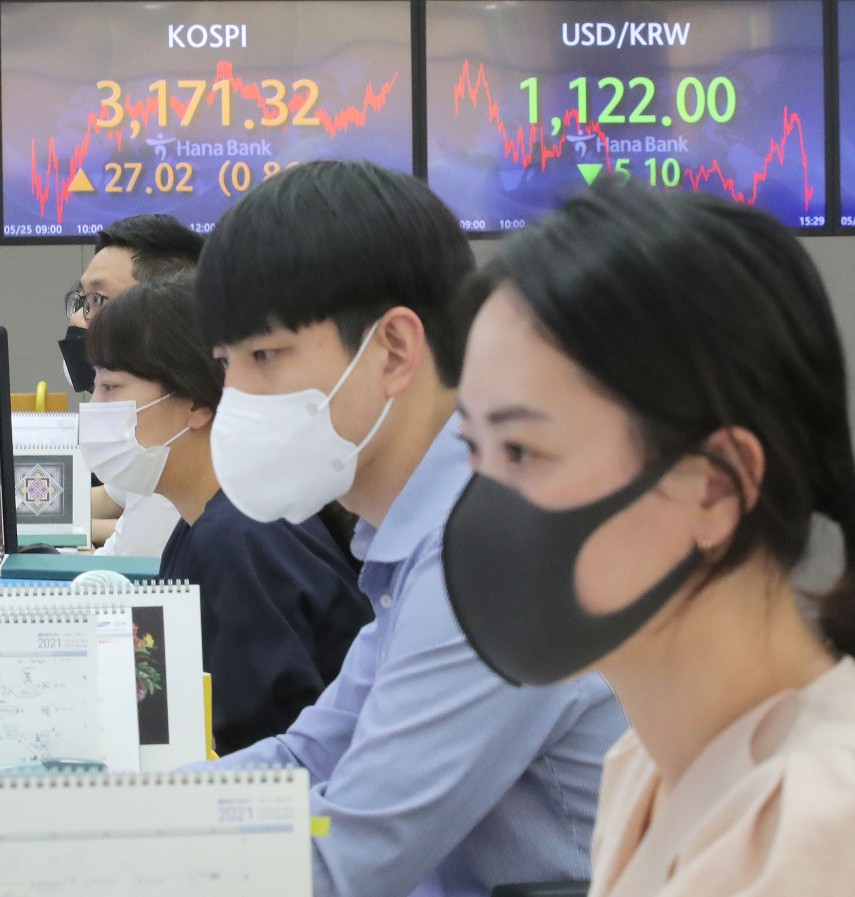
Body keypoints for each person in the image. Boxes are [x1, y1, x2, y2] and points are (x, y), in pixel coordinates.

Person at [442, 183, 855, 896]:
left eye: (523, 451)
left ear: (715, 486)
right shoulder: (650, 762)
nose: (481, 507)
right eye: (473, 453)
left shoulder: (839, 818)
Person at [192, 160, 626, 897]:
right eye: (225, 365)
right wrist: (97, 815)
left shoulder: (497, 551)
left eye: (265, 356)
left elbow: (349, 859)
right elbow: (309, 759)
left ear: (394, 349)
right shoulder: (433, 531)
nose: (236, 399)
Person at [83, 273, 373, 754]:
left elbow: (266, 750)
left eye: (111, 387)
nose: (95, 408)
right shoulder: (206, 523)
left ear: (197, 403)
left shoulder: (240, 538)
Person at [59, 214, 204, 555]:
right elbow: (110, 500)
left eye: (97, 300)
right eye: (81, 299)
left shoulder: (180, 460)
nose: (78, 319)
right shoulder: (149, 452)